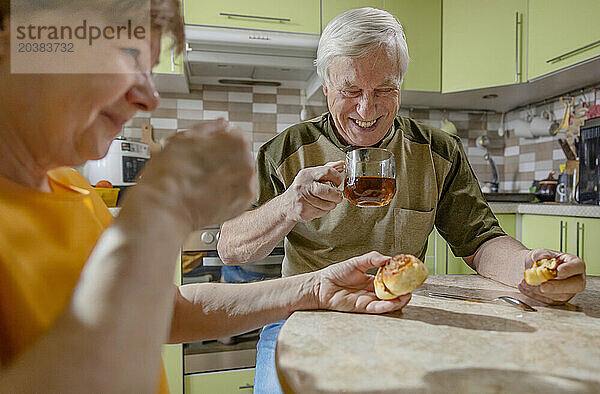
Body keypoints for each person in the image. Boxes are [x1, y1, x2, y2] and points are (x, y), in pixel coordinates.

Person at [0, 2, 410, 393]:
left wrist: (316, 288)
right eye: (126, 56)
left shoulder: (70, 190)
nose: (149, 97)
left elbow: (166, 312)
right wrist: (154, 218)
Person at [217, 7, 587, 393]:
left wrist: (529, 270)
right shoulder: (288, 150)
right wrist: (288, 205)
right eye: (350, 91)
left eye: (384, 90)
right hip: (299, 315)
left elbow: (481, 242)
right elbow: (230, 247)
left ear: (401, 84)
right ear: (326, 85)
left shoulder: (438, 152)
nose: (367, 109)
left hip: (398, 314)